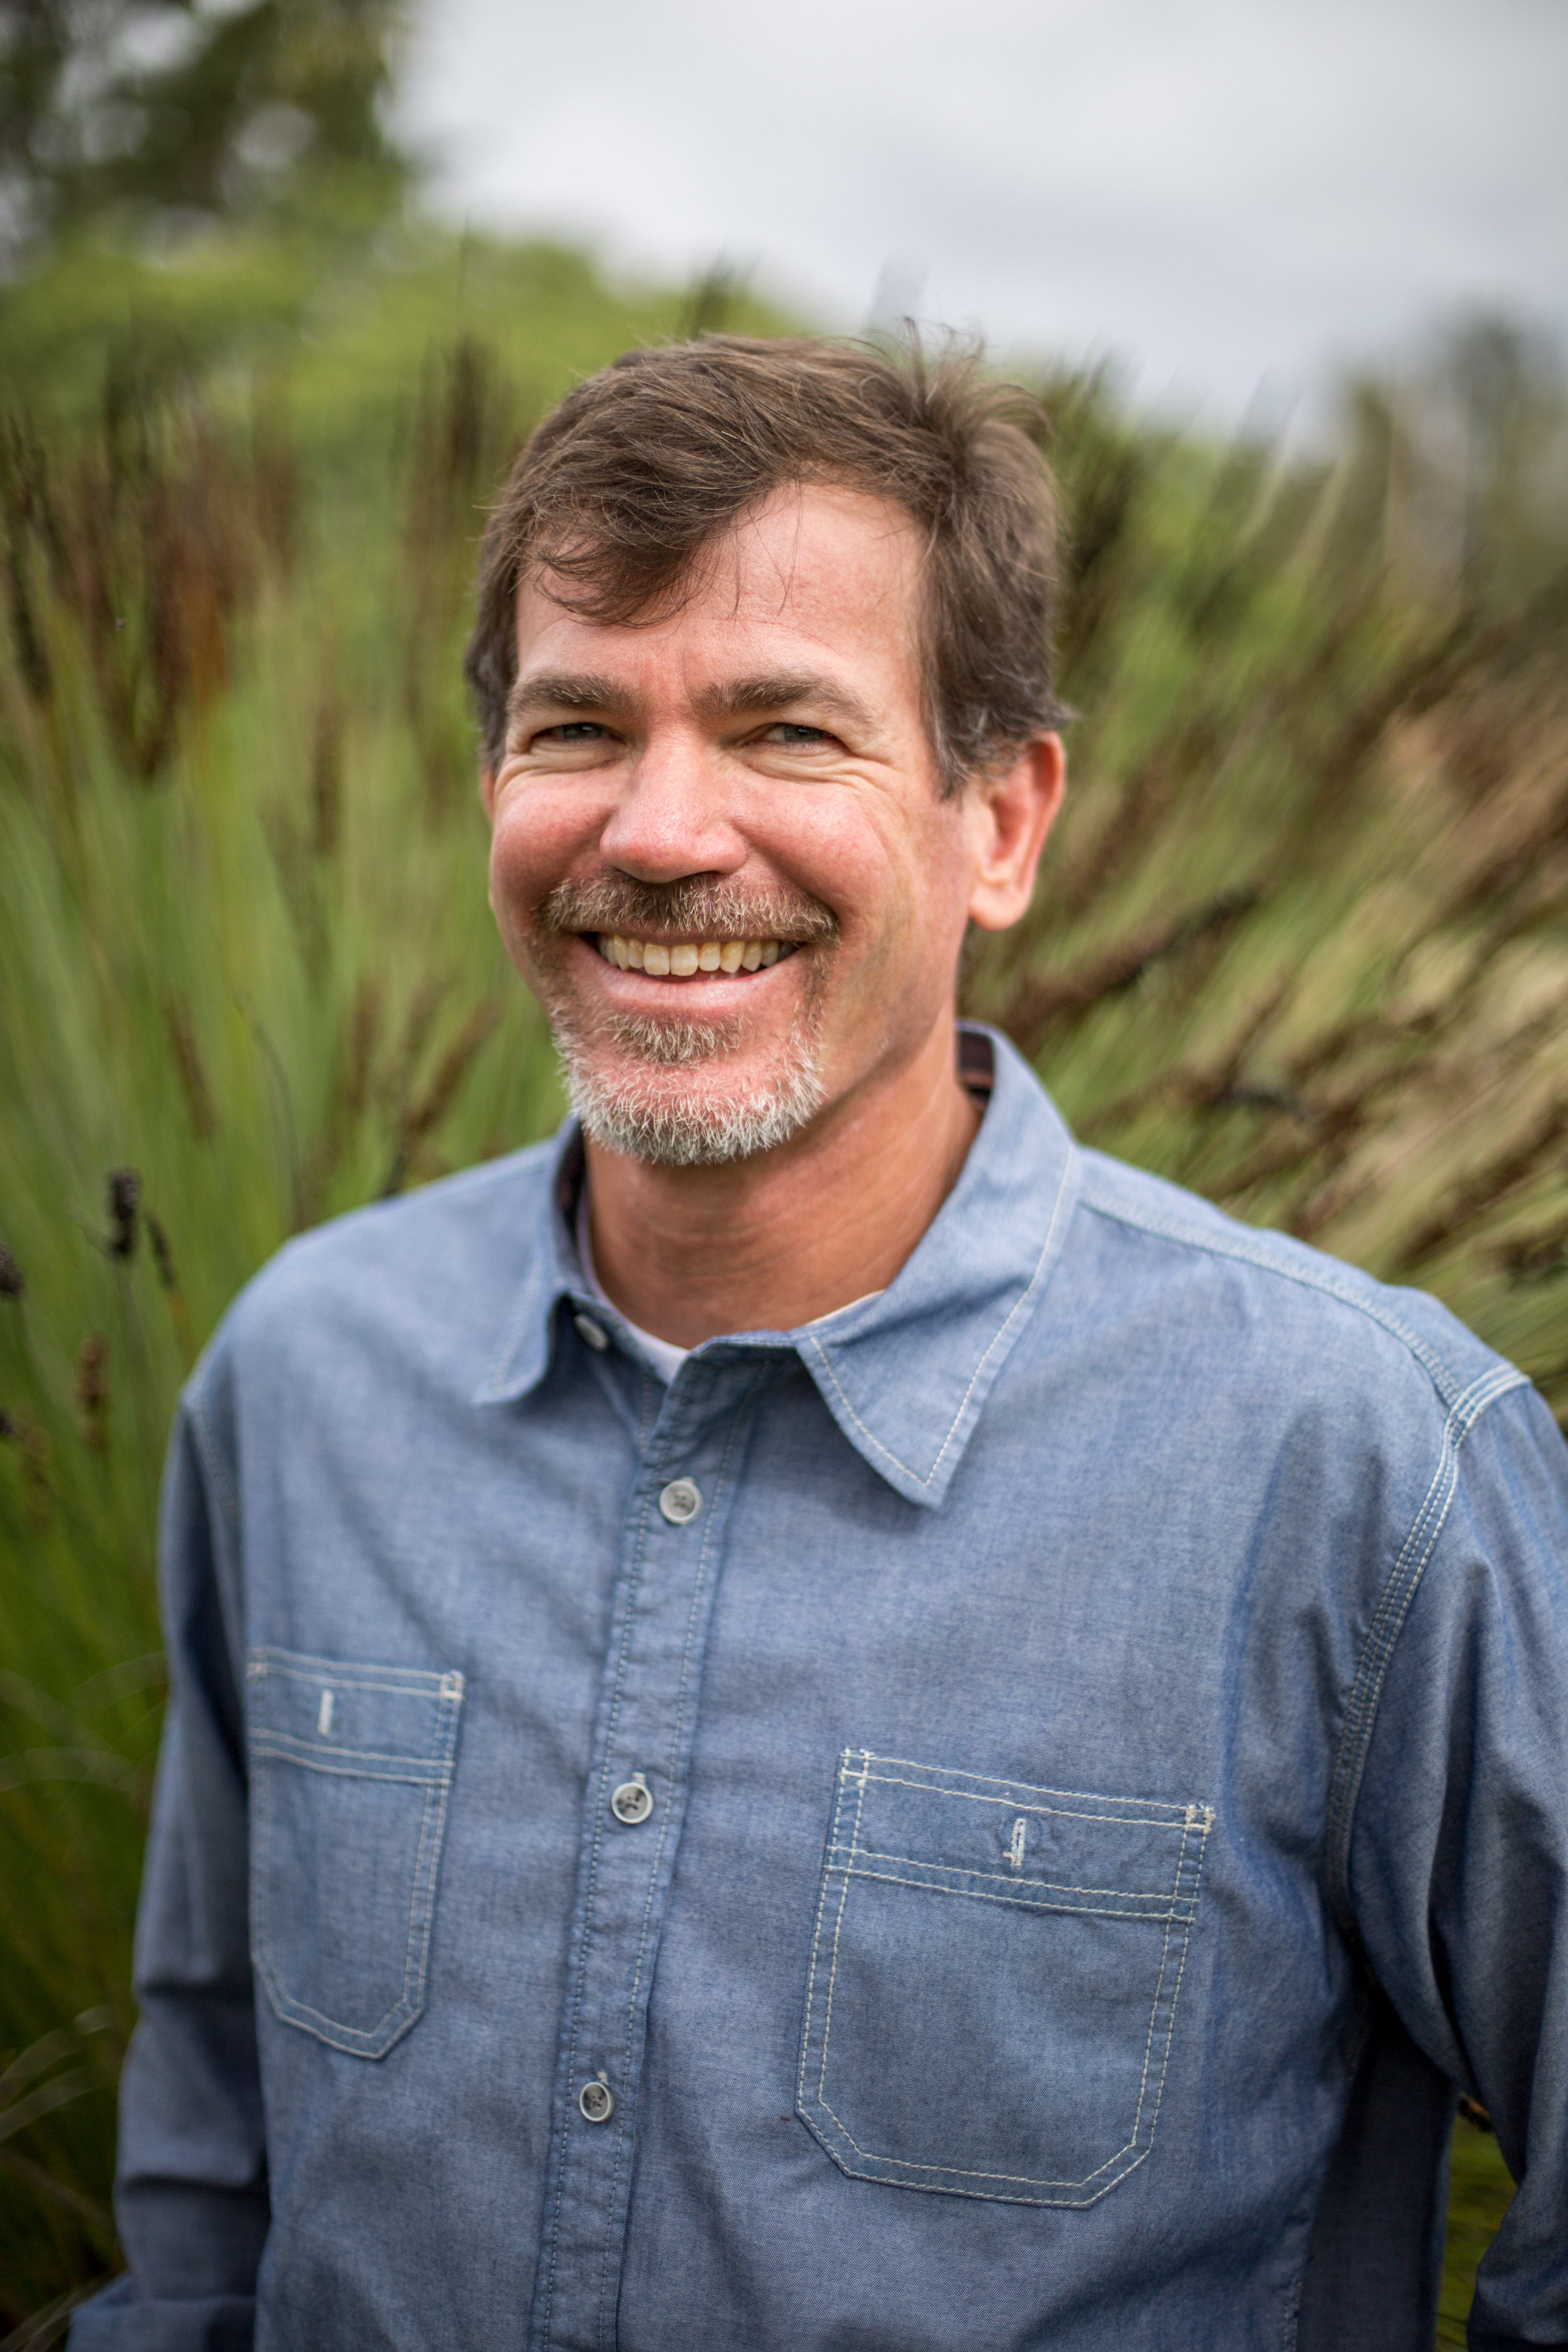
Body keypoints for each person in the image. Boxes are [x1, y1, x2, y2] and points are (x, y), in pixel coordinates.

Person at [73, 337, 1568, 2352]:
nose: (666, 832)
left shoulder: (1365, 1466)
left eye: (787, 731)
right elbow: (213, 2150)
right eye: (579, 722)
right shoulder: (303, 1383)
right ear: (495, 784)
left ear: (1001, 820)